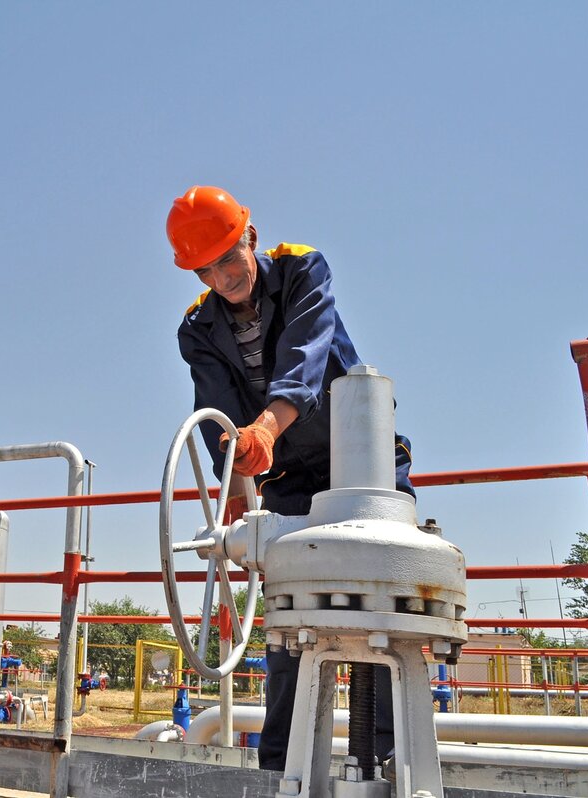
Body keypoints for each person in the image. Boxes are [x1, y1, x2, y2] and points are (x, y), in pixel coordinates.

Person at [167, 185, 413, 770]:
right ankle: (281, 768)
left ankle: (388, 762)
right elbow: (219, 411)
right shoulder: (198, 328)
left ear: (250, 238)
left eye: (229, 259)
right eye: (206, 270)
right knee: (288, 624)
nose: (223, 278)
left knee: (383, 610)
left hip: (361, 461)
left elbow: (304, 360)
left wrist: (265, 430)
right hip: (285, 478)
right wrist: (236, 496)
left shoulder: (303, 268)